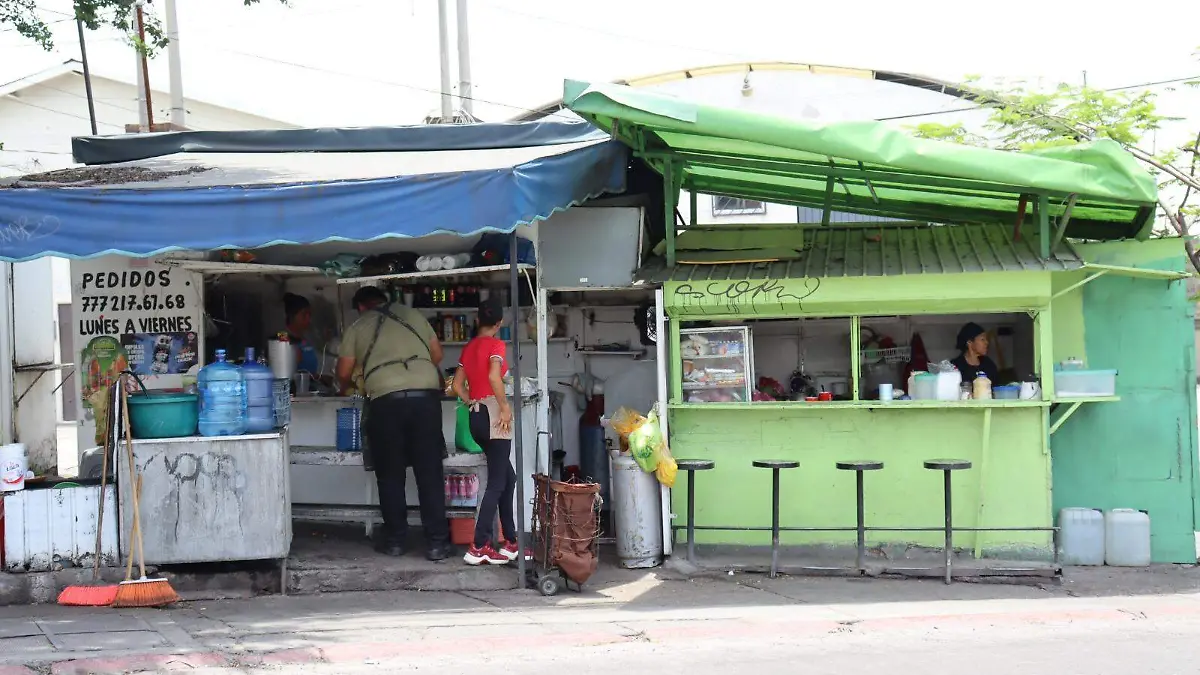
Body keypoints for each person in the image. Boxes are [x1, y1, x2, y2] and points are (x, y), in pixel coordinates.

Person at [336, 286, 451, 560]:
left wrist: (350, 383)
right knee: (429, 472)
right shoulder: (412, 314)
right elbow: (437, 355)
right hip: (425, 398)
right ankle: (437, 544)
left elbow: (343, 372)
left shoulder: (358, 325)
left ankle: (396, 541)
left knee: (390, 473)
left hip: (386, 402)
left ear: (361, 306)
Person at [451, 299, 522, 566]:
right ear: (499, 323)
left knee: (508, 477)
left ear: (477, 319)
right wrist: (504, 407)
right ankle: (479, 545)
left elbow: (457, 384)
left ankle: (511, 542)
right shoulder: (496, 345)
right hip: (493, 414)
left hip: (475, 415)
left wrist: (471, 400)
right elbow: (494, 377)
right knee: (497, 482)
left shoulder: (468, 348)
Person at [283, 293, 321, 377]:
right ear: (291, 316)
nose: (308, 319)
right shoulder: (282, 337)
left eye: (309, 315)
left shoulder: (308, 337)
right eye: (304, 315)